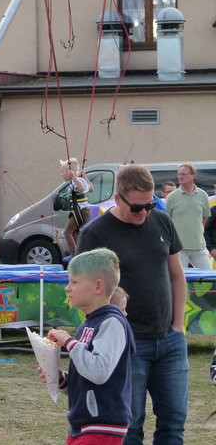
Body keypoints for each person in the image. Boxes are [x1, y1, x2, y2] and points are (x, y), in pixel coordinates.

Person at [77, 164, 187, 444]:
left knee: (174, 423)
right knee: (129, 425)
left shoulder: (162, 222)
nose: (144, 213)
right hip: (125, 344)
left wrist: (178, 326)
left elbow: (177, 275)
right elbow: (84, 290)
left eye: (149, 205)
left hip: (170, 341)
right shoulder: (95, 234)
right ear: (118, 198)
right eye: (137, 207)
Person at [44, 248, 135, 444]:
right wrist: (61, 379)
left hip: (102, 426)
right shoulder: (87, 325)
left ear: (98, 287)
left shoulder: (112, 323)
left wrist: (69, 342)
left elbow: (99, 371)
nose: (68, 288)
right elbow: (87, 375)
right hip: (83, 426)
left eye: (74, 282)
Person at [165, 163, 211, 269]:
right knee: (181, 281)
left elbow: (204, 218)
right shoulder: (171, 197)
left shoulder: (203, 195)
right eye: (179, 174)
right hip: (179, 248)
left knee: (210, 281)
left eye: (184, 174)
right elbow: (167, 221)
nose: (180, 176)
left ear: (193, 176)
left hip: (199, 247)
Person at [61, 158, 94, 258]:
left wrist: (75, 177)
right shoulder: (80, 180)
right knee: (74, 232)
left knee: (67, 232)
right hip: (83, 211)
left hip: (81, 211)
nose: (61, 174)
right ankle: (79, 253)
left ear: (70, 172)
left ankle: (74, 255)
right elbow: (91, 188)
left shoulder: (76, 181)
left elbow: (82, 189)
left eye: (63, 172)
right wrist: (84, 177)